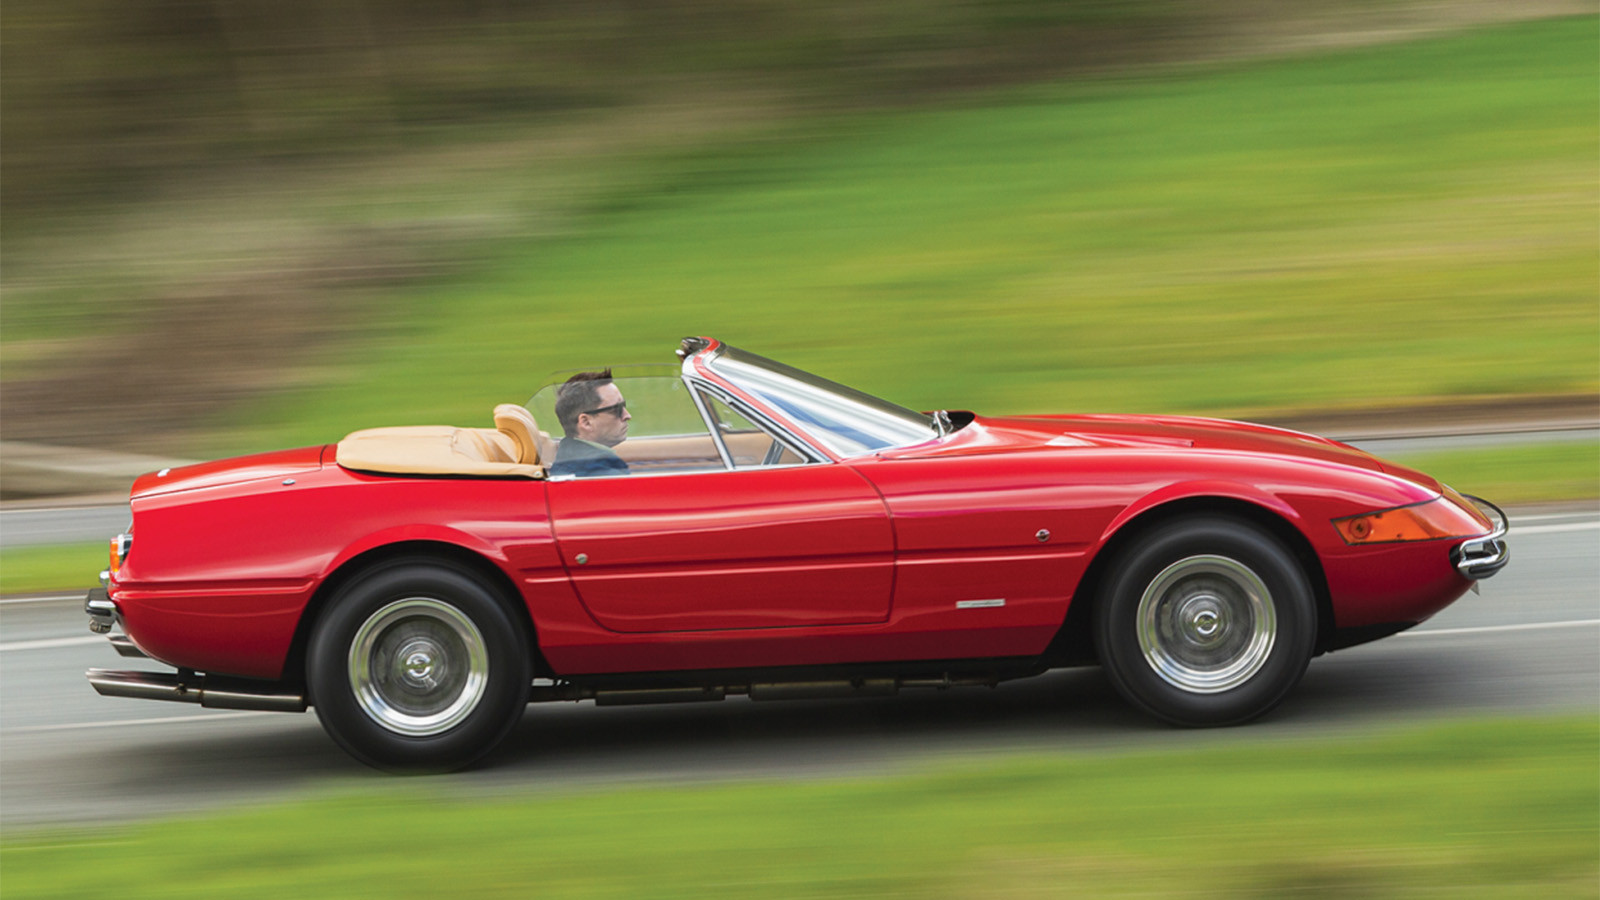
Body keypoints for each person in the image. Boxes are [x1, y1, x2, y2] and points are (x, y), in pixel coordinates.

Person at [550, 369, 631, 477]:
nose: (627, 416)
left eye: (623, 405)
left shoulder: (571, 459)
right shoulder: (601, 474)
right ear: (586, 422)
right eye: (616, 409)